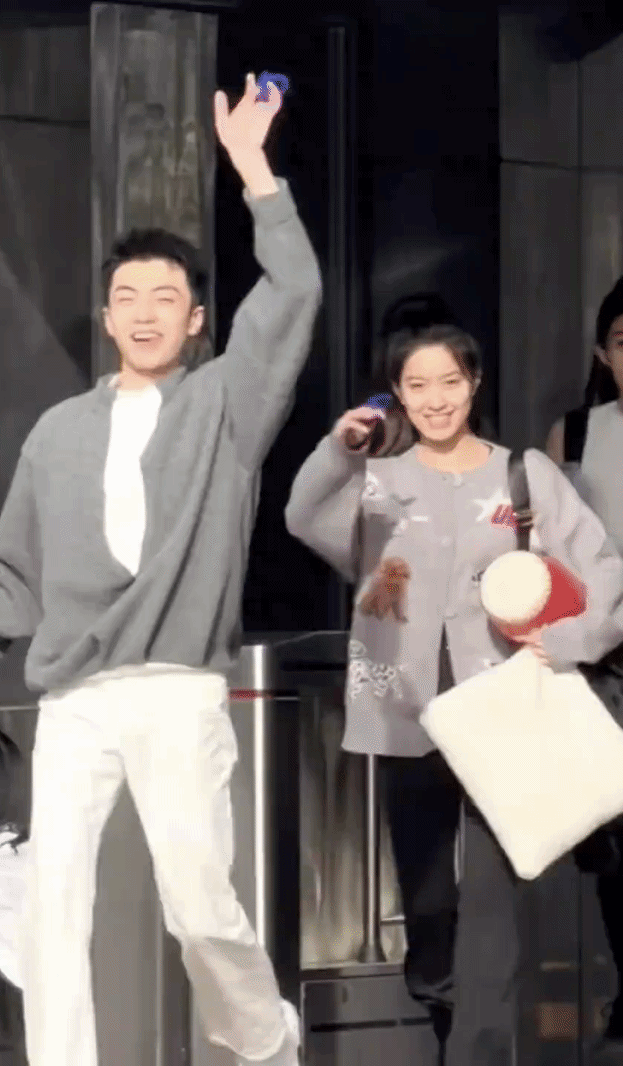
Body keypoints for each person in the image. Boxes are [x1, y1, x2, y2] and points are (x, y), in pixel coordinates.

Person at [0, 73, 322, 1066]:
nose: (143, 312)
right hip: (76, 697)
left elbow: (295, 293)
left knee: (199, 905)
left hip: (178, 687)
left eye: (164, 298)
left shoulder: (226, 408)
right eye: (126, 297)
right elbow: (13, 577)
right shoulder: (58, 433)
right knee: (52, 906)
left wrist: (253, 168)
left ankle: (264, 1040)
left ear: (197, 319)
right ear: (103, 315)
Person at [285, 321, 623, 1066]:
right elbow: (303, 517)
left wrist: (573, 639)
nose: (435, 399)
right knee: (430, 904)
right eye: (416, 385)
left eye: (449, 382)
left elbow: (602, 569)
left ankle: (479, 1051)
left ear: (474, 383)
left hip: (504, 715)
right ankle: (446, 1020)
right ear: (397, 394)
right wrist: (341, 449)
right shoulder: (376, 483)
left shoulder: (525, 475)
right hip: (406, 716)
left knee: (496, 909)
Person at [546, 276, 623, 1058]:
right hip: (600, 665)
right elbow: (544, 551)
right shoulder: (574, 434)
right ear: (604, 352)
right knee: (609, 841)